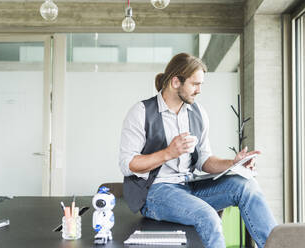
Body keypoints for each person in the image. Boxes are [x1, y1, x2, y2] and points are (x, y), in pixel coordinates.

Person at [119, 53, 277, 248]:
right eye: (195, 84)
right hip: (156, 192)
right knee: (208, 216)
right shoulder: (141, 112)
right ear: (176, 82)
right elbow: (128, 165)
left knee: (247, 186)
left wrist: (233, 164)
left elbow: (204, 159)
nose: (199, 90)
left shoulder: (198, 113)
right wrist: (168, 153)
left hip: (189, 186)